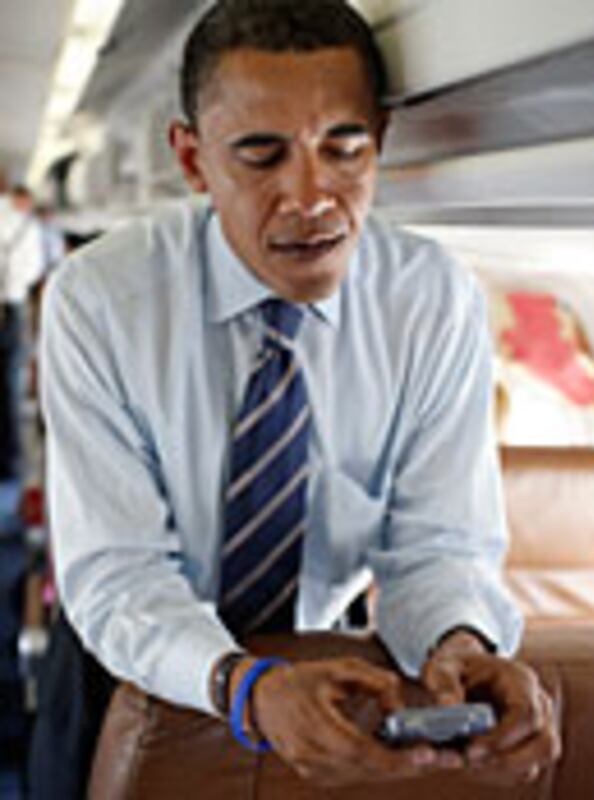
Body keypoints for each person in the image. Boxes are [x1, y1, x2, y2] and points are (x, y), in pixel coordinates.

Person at [30, 0, 560, 795]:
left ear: (380, 138)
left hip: (324, 659)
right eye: (261, 155)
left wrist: (460, 643)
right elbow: (118, 571)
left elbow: (438, 547)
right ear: (192, 159)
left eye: (343, 149)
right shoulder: (101, 299)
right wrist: (245, 686)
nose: (311, 197)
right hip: (128, 666)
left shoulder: (432, 300)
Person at [0, 179, 45, 481]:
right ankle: (11, 464)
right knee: (11, 389)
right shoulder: (27, 226)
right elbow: (33, 270)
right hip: (12, 310)